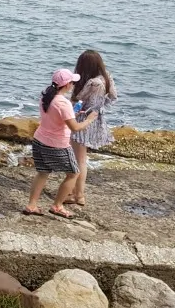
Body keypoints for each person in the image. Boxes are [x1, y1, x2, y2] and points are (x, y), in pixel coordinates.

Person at [25, 69, 98, 218]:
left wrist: (73, 114)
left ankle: (31, 205)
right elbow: (75, 128)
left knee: (43, 172)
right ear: (66, 85)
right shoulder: (63, 103)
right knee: (73, 173)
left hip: (39, 140)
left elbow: (55, 116)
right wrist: (89, 119)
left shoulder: (45, 97)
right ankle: (57, 205)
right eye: (71, 82)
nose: (72, 85)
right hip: (56, 144)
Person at [69, 50, 118, 206]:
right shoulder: (106, 78)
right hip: (96, 119)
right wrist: (99, 108)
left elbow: (77, 98)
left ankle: (78, 195)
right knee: (82, 158)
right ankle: (78, 194)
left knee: (78, 159)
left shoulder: (92, 83)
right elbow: (113, 97)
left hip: (83, 119)